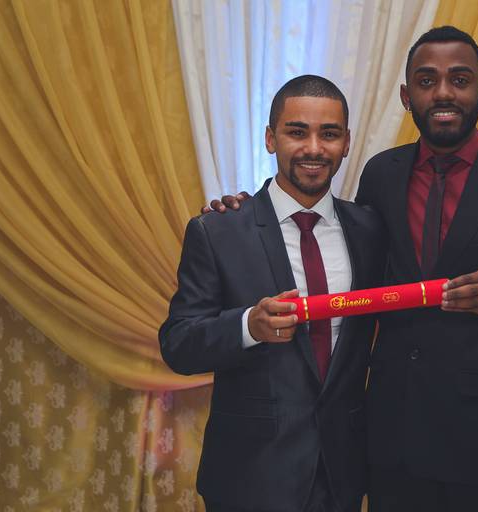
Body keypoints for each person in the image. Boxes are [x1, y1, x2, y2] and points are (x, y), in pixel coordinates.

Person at [209, 26, 478, 512]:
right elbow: (340, 246)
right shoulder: (382, 173)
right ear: (407, 97)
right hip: (392, 443)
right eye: (427, 81)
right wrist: (246, 213)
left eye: (460, 79)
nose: (444, 93)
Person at [160, 75, 386, 512]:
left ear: (346, 143)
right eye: (297, 132)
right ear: (270, 138)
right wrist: (249, 326)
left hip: (342, 474)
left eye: (329, 134)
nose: (314, 148)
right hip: (249, 476)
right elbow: (178, 345)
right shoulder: (218, 230)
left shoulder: (371, 230)